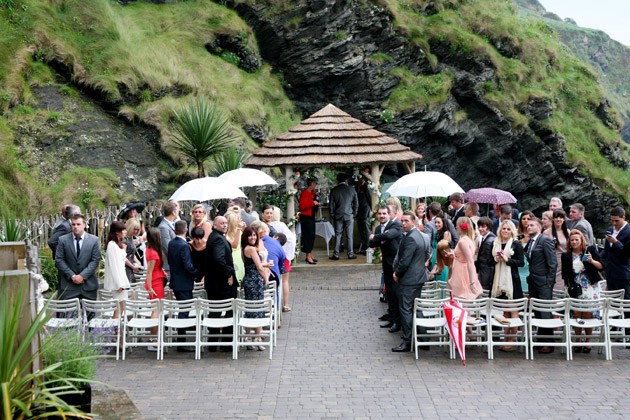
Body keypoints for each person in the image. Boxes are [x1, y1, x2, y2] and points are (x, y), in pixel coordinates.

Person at [391, 212, 431, 353]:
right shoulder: (420, 236)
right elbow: (426, 255)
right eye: (402, 221)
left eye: (406, 221)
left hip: (409, 279)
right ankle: (424, 338)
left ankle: (407, 341)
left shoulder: (411, 238)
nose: (403, 223)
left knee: (406, 309)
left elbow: (405, 261)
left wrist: (397, 273)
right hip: (418, 277)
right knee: (416, 308)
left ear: (414, 222)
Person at [561, 229, 604, 353]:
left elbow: (602, 265)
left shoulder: (589, 250)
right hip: (575, 287)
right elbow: (565, 274)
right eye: (572, 240)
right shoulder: (566, 255)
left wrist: (591, 261)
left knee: (588, 313)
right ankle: (578, 340)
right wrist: (567, 288)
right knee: (576, 313)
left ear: (581, 241)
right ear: (569, 242)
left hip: (590, 286)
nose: (574, 242)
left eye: (576, 240)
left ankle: (588, 341)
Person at [489, 220, 525, 351]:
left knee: (513, 311)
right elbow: (489, 261)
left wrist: (507, 260)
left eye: (508, 229)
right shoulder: (496, 243)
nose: (505, 231)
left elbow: (521, 263)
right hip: (499, 280)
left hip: (512, 281)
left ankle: (513, 339)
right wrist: (495, 259)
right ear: (500, 230)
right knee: (505, 312)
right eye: (504, 229)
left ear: (512, 231)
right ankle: (505, 338)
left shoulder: (516, 244)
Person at [525, 217, 557, 354]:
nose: (529, 227)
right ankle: (540, 340)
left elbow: (552, 262)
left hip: (544, 281)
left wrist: (549, 280)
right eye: (527, 225)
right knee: (537, 311)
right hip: (533, 281)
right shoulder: (530, 242)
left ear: (539, 227)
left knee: (545, 311)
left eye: (532, 225)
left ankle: (549, 343)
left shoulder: (545, 240)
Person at [168, 220, 200, 353]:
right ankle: (181, 342)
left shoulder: (171, 243)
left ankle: (180, 340)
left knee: (183, 309)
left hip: (175, 280)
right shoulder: (184, 246)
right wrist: (197, 274)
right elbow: (188, 265)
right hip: (184, 282)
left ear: (175, 230)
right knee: (184, 311)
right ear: (186, 230)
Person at [369, 205, 403, 332]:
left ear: (389, 215)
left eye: (384, 213)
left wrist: (377, 236)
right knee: (388, 292)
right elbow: (372, 243)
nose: (382, 216)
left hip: (395, 264)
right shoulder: (379, 228)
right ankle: (392, 318)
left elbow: (388, 237)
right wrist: (378, 237)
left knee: (395, 293)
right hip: (386, 265)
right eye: (380, 214)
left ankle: (397, 322)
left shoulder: (395, 226)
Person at [55, 214, 101, 301]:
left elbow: (95, 260)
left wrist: (82, 276)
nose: (76, 227)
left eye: (78, 224)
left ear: (84, 225)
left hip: (88, 285)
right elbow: (59, 260)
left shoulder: (93, 240)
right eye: (73, 224)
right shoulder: (62, 240)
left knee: (90, 313)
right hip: (68, 286)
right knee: (67, 314)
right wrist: (72, 276)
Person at [601, 206, 630, 335]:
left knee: (627, 303)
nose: (614, 223)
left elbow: (627, 253)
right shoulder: (610, 230)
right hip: (610, 271)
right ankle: (615, 327)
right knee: (613, 301)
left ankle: (628, 332)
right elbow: (606, 251)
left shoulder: (629, 231)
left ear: (623, 218)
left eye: (616, 221)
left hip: (624, 272)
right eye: (612, 220)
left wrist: (617, 242)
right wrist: (596, 259)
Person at [241, 226, 270, 351]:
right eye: (250, 235)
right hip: (255, 281)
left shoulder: (244, 249)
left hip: (247, 280)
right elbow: (259, 267)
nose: (253, 237)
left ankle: (249, 338)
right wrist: (266, 279)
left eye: (254, 235)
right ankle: (257, 338)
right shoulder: (252, 249)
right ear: (246, 237)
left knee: (250, 308)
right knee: (257, 309)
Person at [269, 206, 297, 312]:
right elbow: (290, 238)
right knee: (285, 281)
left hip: (270, 256)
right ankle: (285, 304)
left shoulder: (265, 225)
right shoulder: (281, 225)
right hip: (282, 255)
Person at [447, 217, 483, 300]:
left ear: (460, 227)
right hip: (463, 271)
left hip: (462, 273)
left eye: (456, 226)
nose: (455, 228)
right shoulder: (469, 240)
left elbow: (470, 261)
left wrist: (472, 282)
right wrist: (454, 256)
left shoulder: (463, 241)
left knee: (461, 300)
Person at [103, 221, 131, 319]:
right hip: (119, 282)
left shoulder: (116, 244)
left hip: (121, 279)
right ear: (117, 232)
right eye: (123, 230)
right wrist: (118, 284)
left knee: (121, 307)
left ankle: (117, 331)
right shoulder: (112, 245)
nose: (125, 232)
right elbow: (114, 266)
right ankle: (116, 331)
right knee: (119, 307)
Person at [144, 227, 166, 350]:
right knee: (156, 310)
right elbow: (149, 271)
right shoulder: (153, 252)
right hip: (155, 283)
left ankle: (153, 337)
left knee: (156, 309)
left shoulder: (150, 249)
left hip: (157, 279)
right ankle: (152, 339)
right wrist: (150, 287)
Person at [329, 173, 358, 260]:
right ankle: (350, 254)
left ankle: (336, 254)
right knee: (349, 235)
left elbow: (331, 204)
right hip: (349, 215)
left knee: (338, 235)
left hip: (338, 215)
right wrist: (354, 213)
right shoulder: (351, 189)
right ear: (346, 180)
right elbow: (356, 202)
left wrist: (332, 214)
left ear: (338, 180)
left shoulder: (334, 190)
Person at [543, 208, 569, 291]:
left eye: (561, 217)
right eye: (556, 217)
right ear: (553, 219)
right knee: (556, 284)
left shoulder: (568, 232)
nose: (558, 219)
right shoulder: (547, 232)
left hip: (566, 260)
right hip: (554, 260)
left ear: (564, 219)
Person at [299, 178, 320, 265]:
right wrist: (313, 203)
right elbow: (302, 206)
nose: (316, 185)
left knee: (311, 235)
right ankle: (308, 255)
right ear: (311, 184)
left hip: (311, 216)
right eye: (315, 183)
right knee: (307, 236)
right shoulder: (305, 193)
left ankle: (310, 254)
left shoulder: (312, 193)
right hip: (306, 217)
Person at [428, 215, 452, 282]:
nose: (436, 224)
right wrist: (428, 260)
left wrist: (435, 267)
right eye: (435, 222)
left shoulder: (446, 233)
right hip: (435, 259)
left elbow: (443, 253)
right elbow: (435, 248)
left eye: (438, 222)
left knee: (441, 283)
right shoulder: (436, 233)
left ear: (443, 223)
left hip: (441, 262)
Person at [475, 216, 496, 290]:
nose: (480, 229)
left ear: (489, 227)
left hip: (486, 273)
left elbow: (485, 261)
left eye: (483, 226)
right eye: (479, 226)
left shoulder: (489, 241)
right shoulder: (487, 238)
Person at [158, 201, 178, 277]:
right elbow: (167, 247)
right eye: (177, 211)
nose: (178, 212)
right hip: (168, 266)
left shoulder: (171, 224)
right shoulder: (163, 227)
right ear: (173, 212)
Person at [225, 211, 246, 282]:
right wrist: (239, 229)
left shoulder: (238, 231)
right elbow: (234, 245)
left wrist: (244, 229)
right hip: (233, 257)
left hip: (240, 256)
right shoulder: (225, 235)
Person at [355, 175, 372, 254]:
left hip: (365, 211)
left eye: (359, 178)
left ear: (363, 178)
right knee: (361, 230)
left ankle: (369, 247)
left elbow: (370, 200)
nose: (358, 179)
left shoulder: (367, 187)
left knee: (366, 229)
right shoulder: (356, 187)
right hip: (358, 212)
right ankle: (364, 247)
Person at [124, 218, 143, 283]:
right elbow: (123, 257)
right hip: (125, 269)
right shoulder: (124, 238)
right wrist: (133, 267)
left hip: (130, 268)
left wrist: (138, 262)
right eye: (134, 229)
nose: (135, 231)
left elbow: (132, 253)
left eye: (137, 230)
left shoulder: (131, 237)